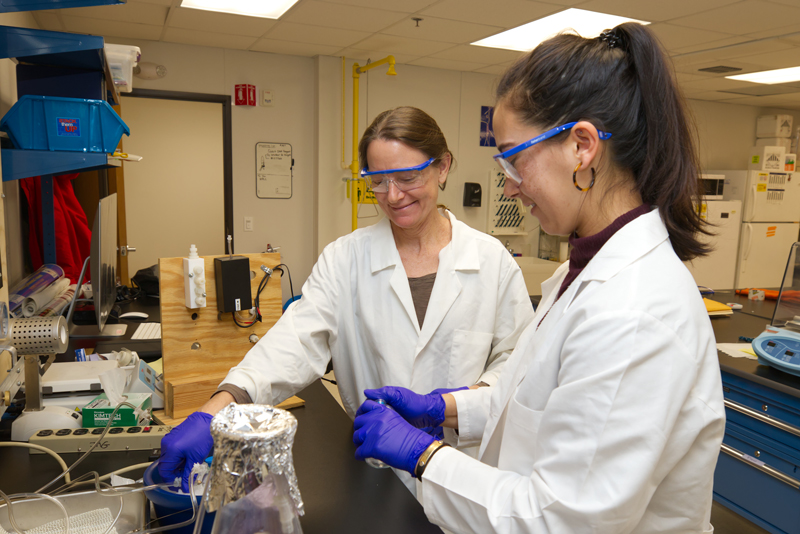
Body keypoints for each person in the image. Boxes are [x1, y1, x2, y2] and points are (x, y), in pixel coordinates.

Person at [352, 23, 725, 533]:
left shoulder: (634, 310)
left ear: (582, 146)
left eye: (512, 158)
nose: (507, 187)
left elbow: (559, 520)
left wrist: (424, 457)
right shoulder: (583, 272)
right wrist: (447, 408)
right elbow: (536, 405)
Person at [159, 106, 535, 493]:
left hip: (464, 474)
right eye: (377, 181)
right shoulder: (345, 259)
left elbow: (519, 366)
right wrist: (216, 410)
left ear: (442, 167)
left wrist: (454, 407)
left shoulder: (492, 262)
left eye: (407, 177)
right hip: (373, 471)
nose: (392, 195)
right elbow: (293, 343)